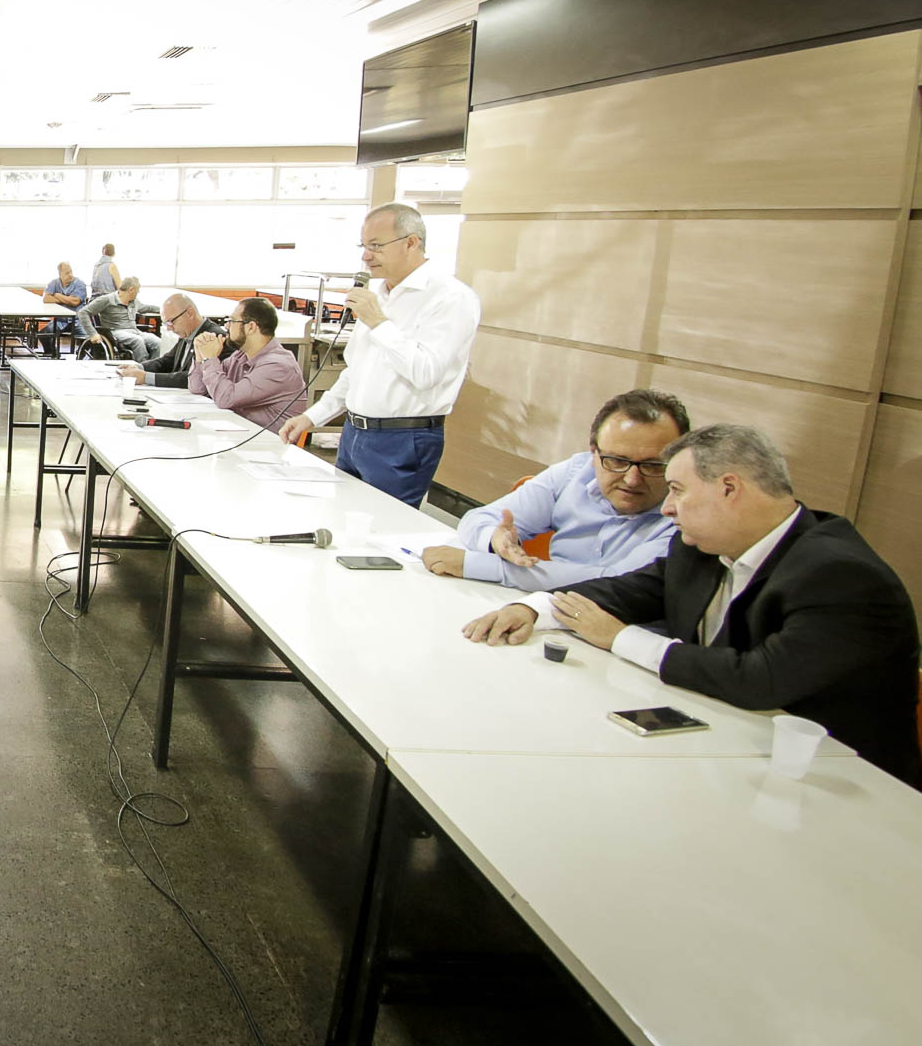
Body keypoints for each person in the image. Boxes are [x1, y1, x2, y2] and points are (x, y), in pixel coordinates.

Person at [461, 424, 922, 788]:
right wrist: (535, 608)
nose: (666, 508)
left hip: (838, 787)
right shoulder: (701, 547)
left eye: (678, 489)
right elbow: (625, 590)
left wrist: (620, 637)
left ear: (729, 488)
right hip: (725, 751)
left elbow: (760, 680)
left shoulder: (840, 574)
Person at [277, 203, 481, 507]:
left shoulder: (450, 297)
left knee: (380, 533)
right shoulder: (381, 294)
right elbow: (356, 372)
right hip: (354, 434)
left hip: (402, 439)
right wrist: (313, 416)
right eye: (364, 246)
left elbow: (426, 373)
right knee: (342, 521)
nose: (366, 256)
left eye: (376, 246)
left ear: (411, 243)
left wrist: (378, 322)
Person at [423, 390, 689, 589]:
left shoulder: (685, 513)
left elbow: (613, 582)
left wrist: (480, 565)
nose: (632, 479)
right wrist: (496, 541)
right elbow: (478, 519)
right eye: (617, 461)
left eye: (653, 465)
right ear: (593, 452)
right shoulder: (576, 471)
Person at [181, 296, 308, 428]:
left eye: (232, 321)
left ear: (251, 327)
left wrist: (210, 359)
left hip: (267, 444)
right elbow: (197, 389)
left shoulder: (278, 366)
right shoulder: (241, 356)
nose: (226, 326)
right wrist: (200, 354)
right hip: (241, 436)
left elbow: (226, 399)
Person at [116, 293, 223, 387]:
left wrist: (146, 377)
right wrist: (138, 367)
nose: (168, 328)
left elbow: (192, 377)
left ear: (190, 313)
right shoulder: (187, 332)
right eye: (166, 323)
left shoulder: (213, 337)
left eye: (171, 322)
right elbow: (167, 361)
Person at [79, 277, 160, 361]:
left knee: (157, 342)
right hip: (115, 331)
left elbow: (145, 308)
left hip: (135, 331)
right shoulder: (107, 299)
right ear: (131, 290)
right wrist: (92, 333)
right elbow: (83, 312)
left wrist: (162, 310)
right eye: (138, 289)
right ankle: (142, 368)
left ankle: (153, 368)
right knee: (138, 341)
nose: (138, 292)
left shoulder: (134, 301)